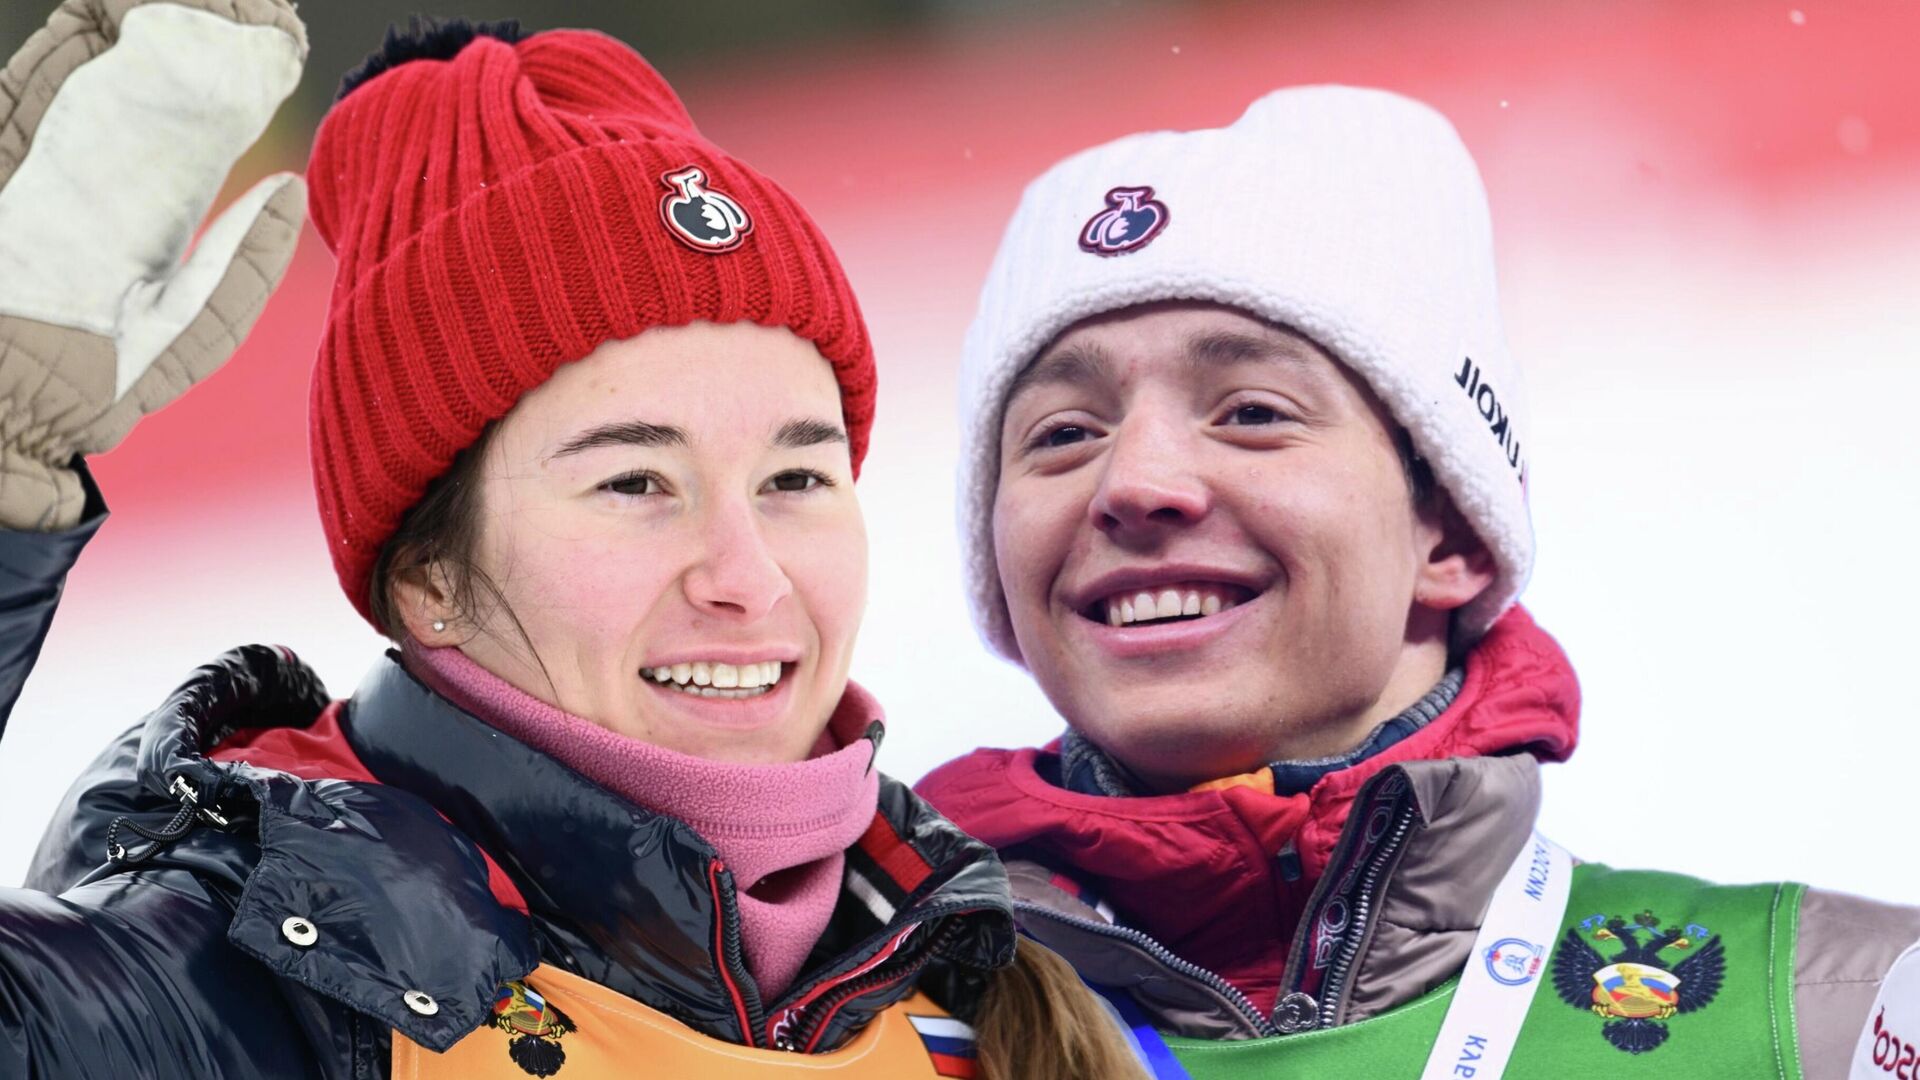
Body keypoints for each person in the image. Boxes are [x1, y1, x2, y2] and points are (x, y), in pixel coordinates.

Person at [0, 5, 1144, 1078]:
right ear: (429, 576)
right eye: (635, 482)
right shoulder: (244, 983)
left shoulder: (985, 976)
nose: (747, 577)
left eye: (794, 477)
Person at [917, 84, 1920, 1078]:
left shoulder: (1840, 1021)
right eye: (1064, 433)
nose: (1134, 483)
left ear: (1453, 533)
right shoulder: (880, 1032)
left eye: (1253, 412)